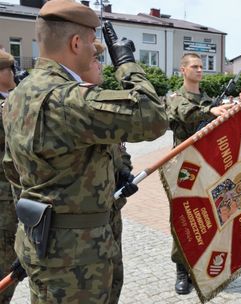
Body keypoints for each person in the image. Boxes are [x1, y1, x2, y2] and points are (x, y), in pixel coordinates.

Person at [2, 0, 168, 302]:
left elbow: (14, 171)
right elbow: (153, 117)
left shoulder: (18, 96)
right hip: (78, 256)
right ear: (76, 42)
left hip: (44, 245)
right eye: (93, 43)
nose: (96, 50)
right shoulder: (69, 98)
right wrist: (126, 62)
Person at [165, 52, 233, 294]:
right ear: (183, 70)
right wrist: (212, 111)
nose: (200, 70)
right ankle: (182, 270)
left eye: (202, 67)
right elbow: (186, 113)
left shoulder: (209, 99)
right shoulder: (175, 97)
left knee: (206, 216)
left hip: (207, 167)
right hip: (183, 167)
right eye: (195, 66)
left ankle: (200, 266)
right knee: (182, 217)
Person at [79, 40, 138, 304]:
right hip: (84, 223)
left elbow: (119, 148)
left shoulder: (101, 106)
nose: (100, 66)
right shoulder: (76, 106)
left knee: (115, 277)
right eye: (95, 60)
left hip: (112, 208)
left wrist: (124, 172)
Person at [0, 49, 18, 304]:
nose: (13, 73)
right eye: (8, 69)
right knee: (5, 263)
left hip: (14, 197)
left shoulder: (13, 99)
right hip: (3, 199)